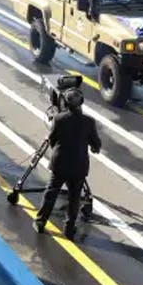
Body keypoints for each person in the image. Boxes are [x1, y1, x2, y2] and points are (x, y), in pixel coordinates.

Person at [33, 88, 100, 240]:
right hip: (79, 165)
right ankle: (69, 229)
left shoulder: (59, 119)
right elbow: (96, 145)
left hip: (60, 163)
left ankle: (40, 221)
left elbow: (52, 140)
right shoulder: (89, 122)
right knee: (74, 197)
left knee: (51, 192)